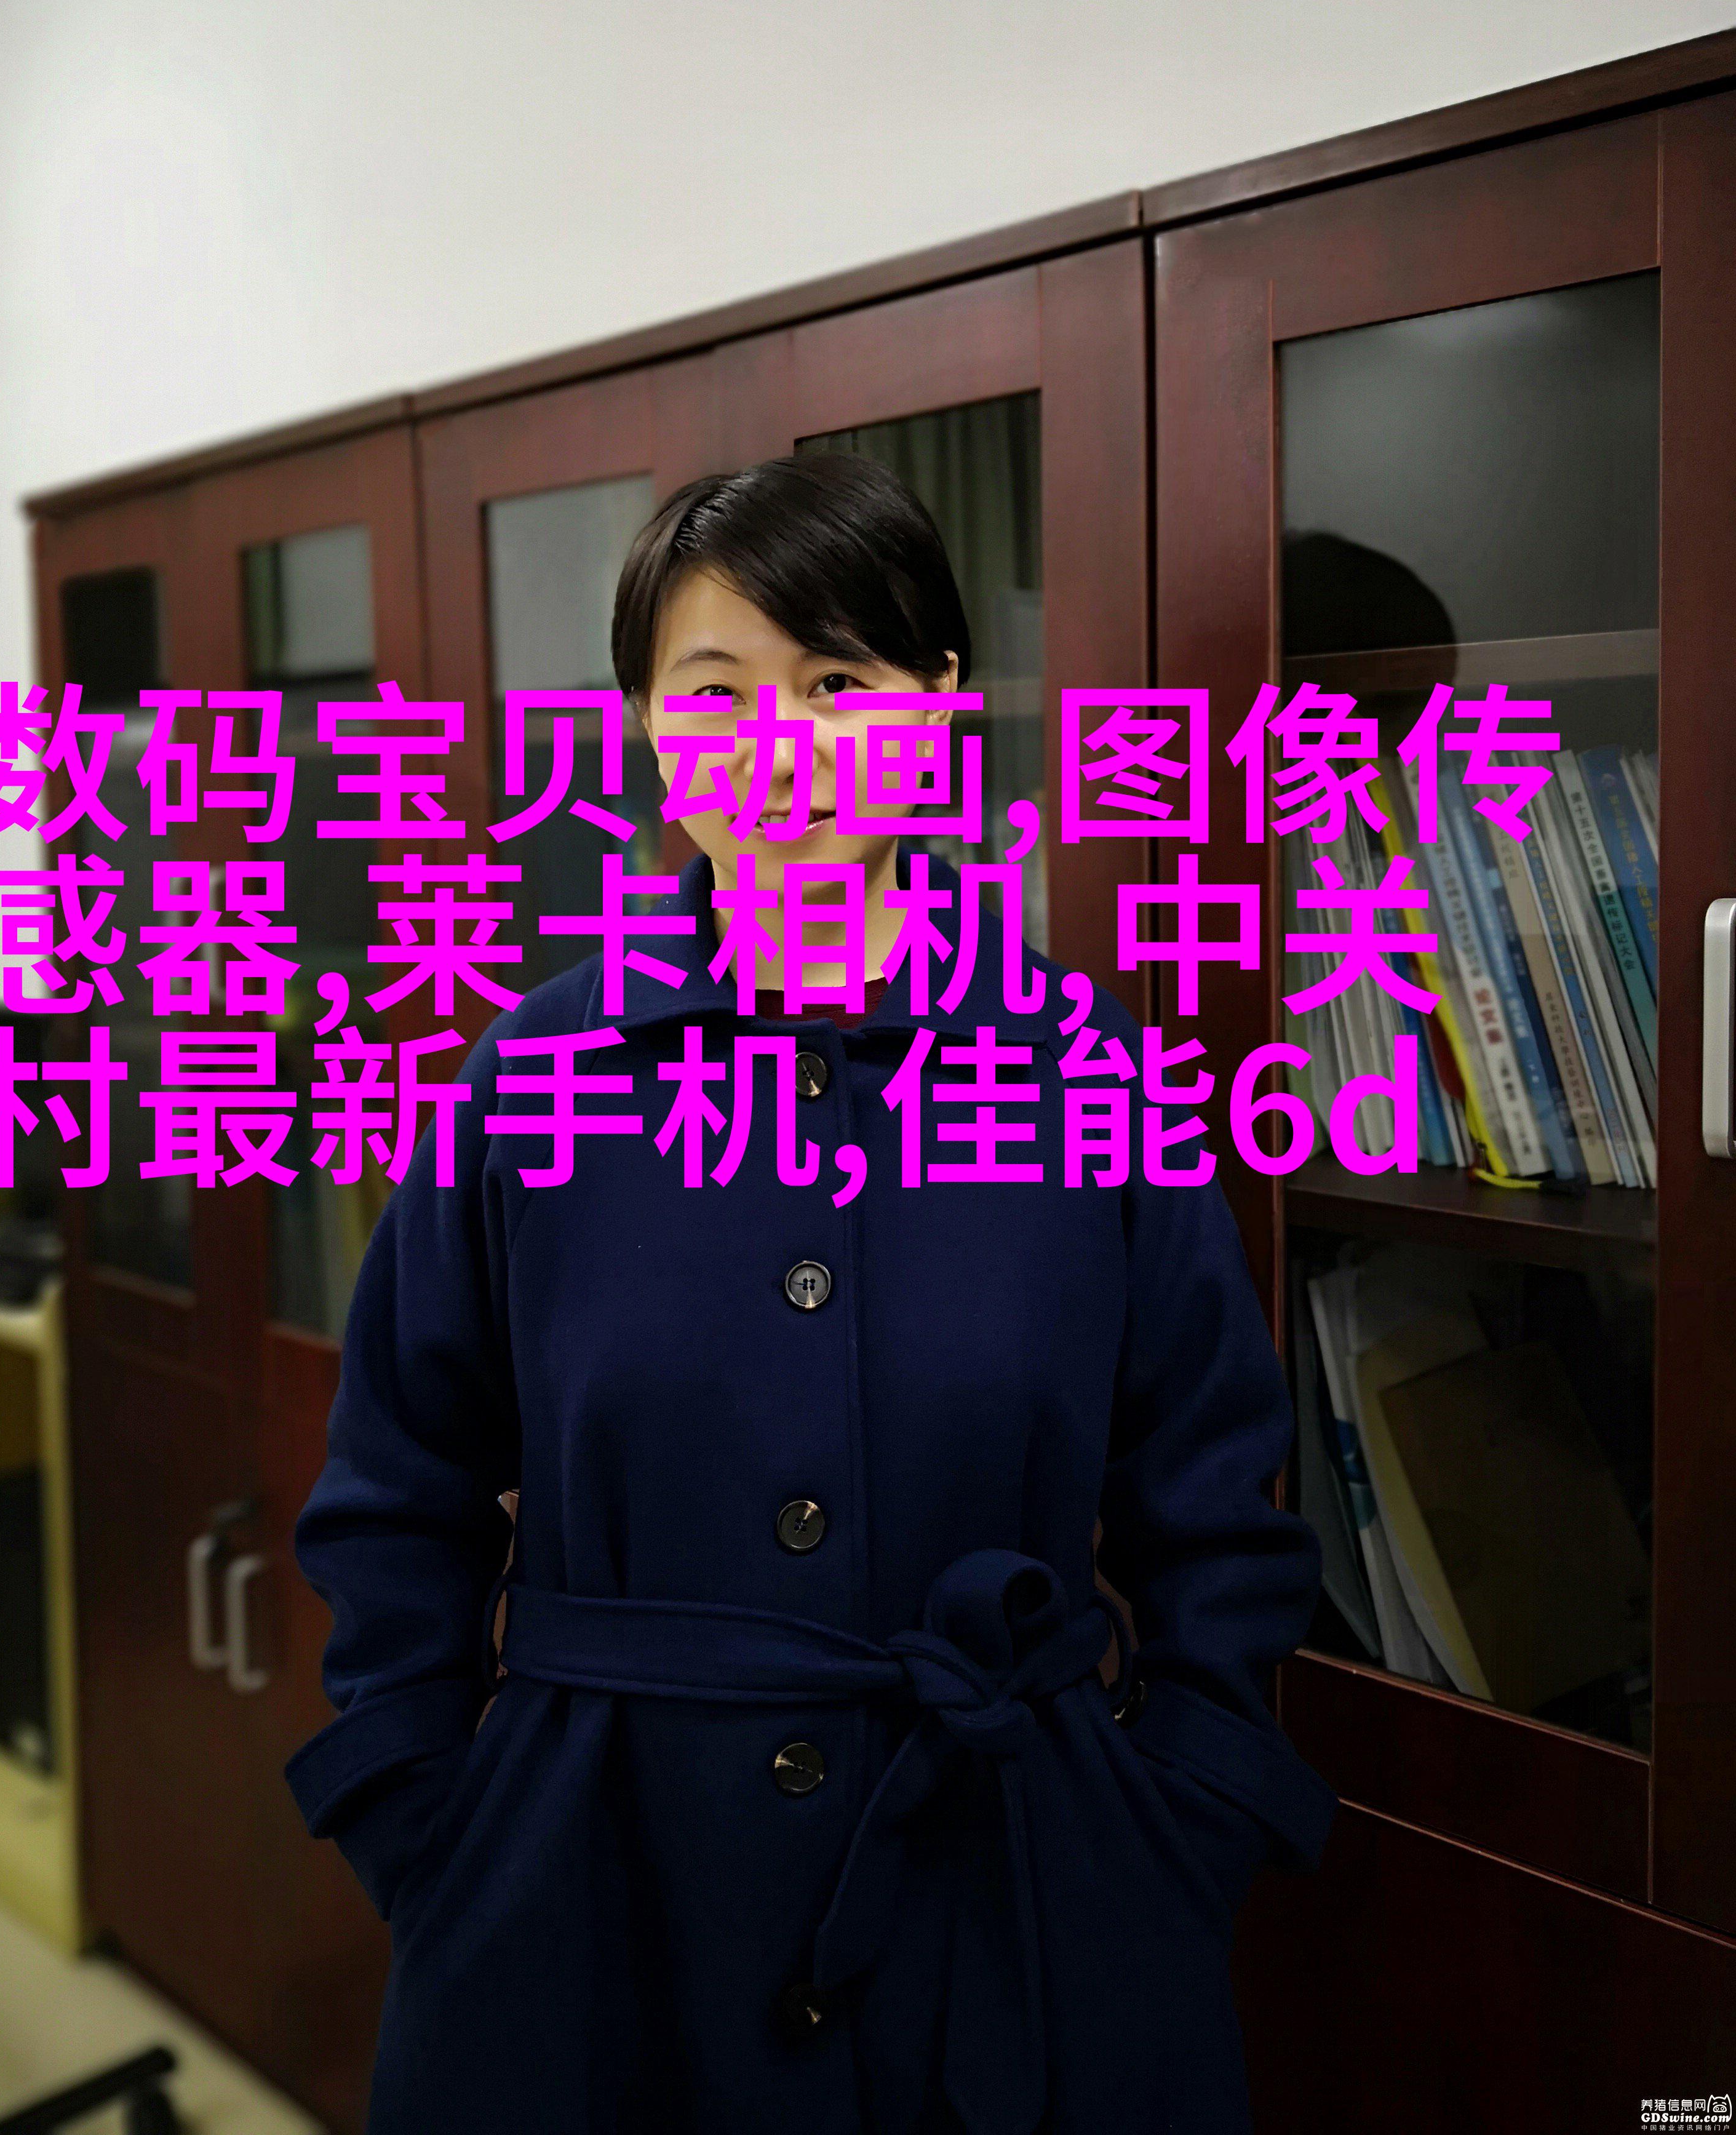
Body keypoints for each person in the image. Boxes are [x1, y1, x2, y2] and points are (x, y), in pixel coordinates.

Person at [284, 452, 1339, 2134]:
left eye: (840, 681)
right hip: (588, 1902)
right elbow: (395, 1497)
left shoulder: (1094, 1078)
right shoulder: (526, 1082)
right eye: (716, 691)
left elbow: (1217, 1514)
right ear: (645, 727)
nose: (781, 748)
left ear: (942, 701)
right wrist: (433, 1834)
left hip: (1017, 1884)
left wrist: (1174, 1830)